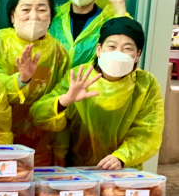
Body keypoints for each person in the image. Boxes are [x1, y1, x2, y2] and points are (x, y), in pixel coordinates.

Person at [30, 18, 163, 169]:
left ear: (137, 55)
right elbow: (38, 116)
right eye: (112, 46)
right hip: (78, 170)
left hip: (124, 171)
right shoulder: (79, 76)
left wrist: (121, 157)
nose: (118, 53)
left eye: (127, 48)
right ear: (99, 50)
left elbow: (148, 133)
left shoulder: (145, 85)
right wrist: (64, 100)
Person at [0, 0, 71, 165]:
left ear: (51, 17)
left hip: (41, 144)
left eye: (42, 10)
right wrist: (21, 80)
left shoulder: (59, 52)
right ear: (12, 16)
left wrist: (61, 150)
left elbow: (62, 100)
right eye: (26, 9)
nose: (34, 16)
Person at [30, 0, 132, 67]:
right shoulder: (53, 15)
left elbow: (126, 45)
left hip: (90, 78)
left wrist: (119, 5)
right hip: (49, 78)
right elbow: (30, 38)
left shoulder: (109, 21)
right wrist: (36, 1)